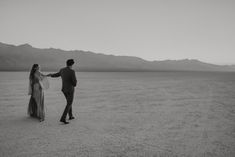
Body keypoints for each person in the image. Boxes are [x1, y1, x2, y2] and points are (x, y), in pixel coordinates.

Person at [48, 59, 77, 124]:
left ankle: (71, 116)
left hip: (64, 89)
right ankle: (63, 118)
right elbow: (74, 83)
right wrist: (74, 83)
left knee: (69, 102)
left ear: (66, 63)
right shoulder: (72, 71)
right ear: (72, 64)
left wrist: (51, 75)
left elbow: (57, 74)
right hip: (70, 90)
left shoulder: (62, 70)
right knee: (69, 103)